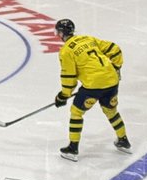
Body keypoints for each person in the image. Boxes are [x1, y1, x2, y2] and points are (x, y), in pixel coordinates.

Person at [53, 19, 130, 162]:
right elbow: (115, 49)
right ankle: (123, 140)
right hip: (112, 80)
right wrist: (116, 67)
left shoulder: (66, 51)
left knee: (76, 112)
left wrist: (63, 96)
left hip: (93, 85)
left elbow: (69, 77)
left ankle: (73, 148)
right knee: (111, 111)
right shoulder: (88, 38)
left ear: (61, 33)